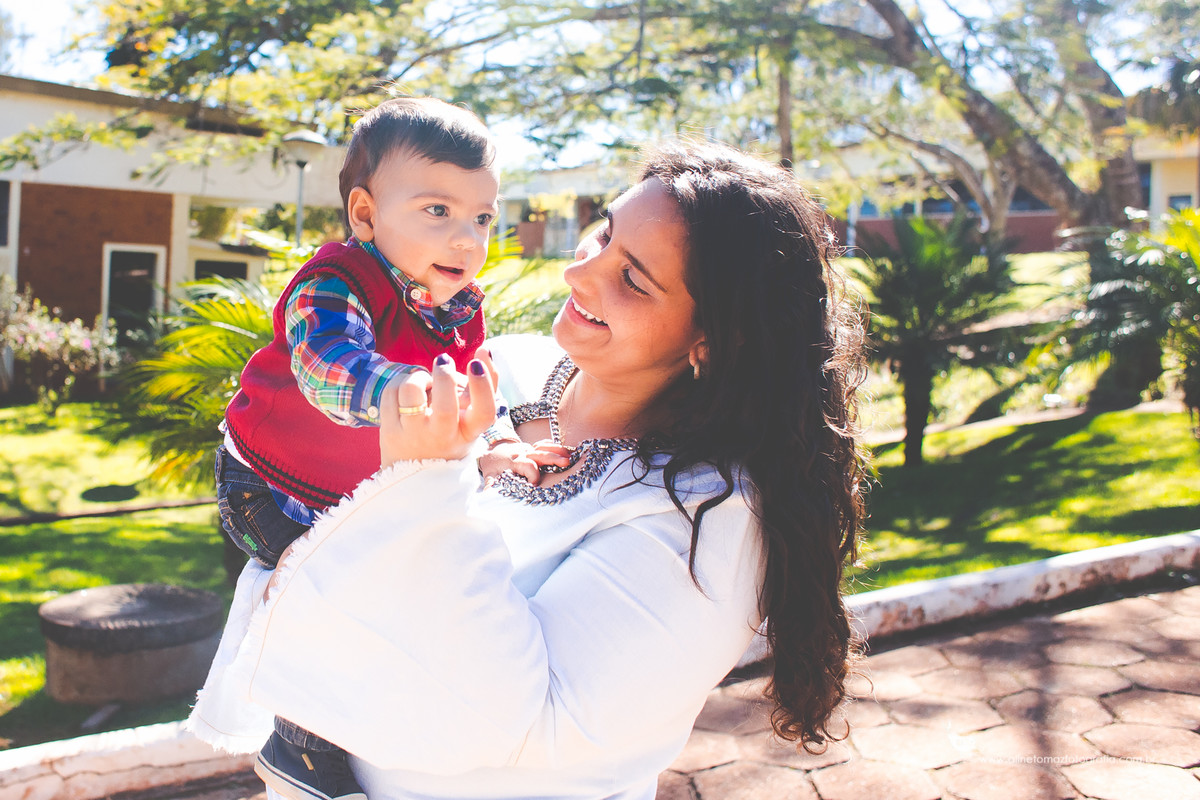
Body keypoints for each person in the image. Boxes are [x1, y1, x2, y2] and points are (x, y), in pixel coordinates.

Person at [190, 138, 869, 800]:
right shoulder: (500, 365)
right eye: (603, 235)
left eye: (632, 278)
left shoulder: (708, 514)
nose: (579, 274)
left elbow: (517, 723)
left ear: (713, 339)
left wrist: (423, 486)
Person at [213, 96, 565, 800]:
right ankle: (300, 745)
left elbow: (474, 388)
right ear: (366, 215)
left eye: (482, 218)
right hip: (268, 485)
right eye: (438, 211)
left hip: (346, 492)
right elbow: (327, 366)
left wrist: (493, 442)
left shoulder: (459, 308)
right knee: (332, 595)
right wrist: (405, 388)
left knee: (389, 590)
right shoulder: (336, 282)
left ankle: (369, 723)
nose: (466, 239)